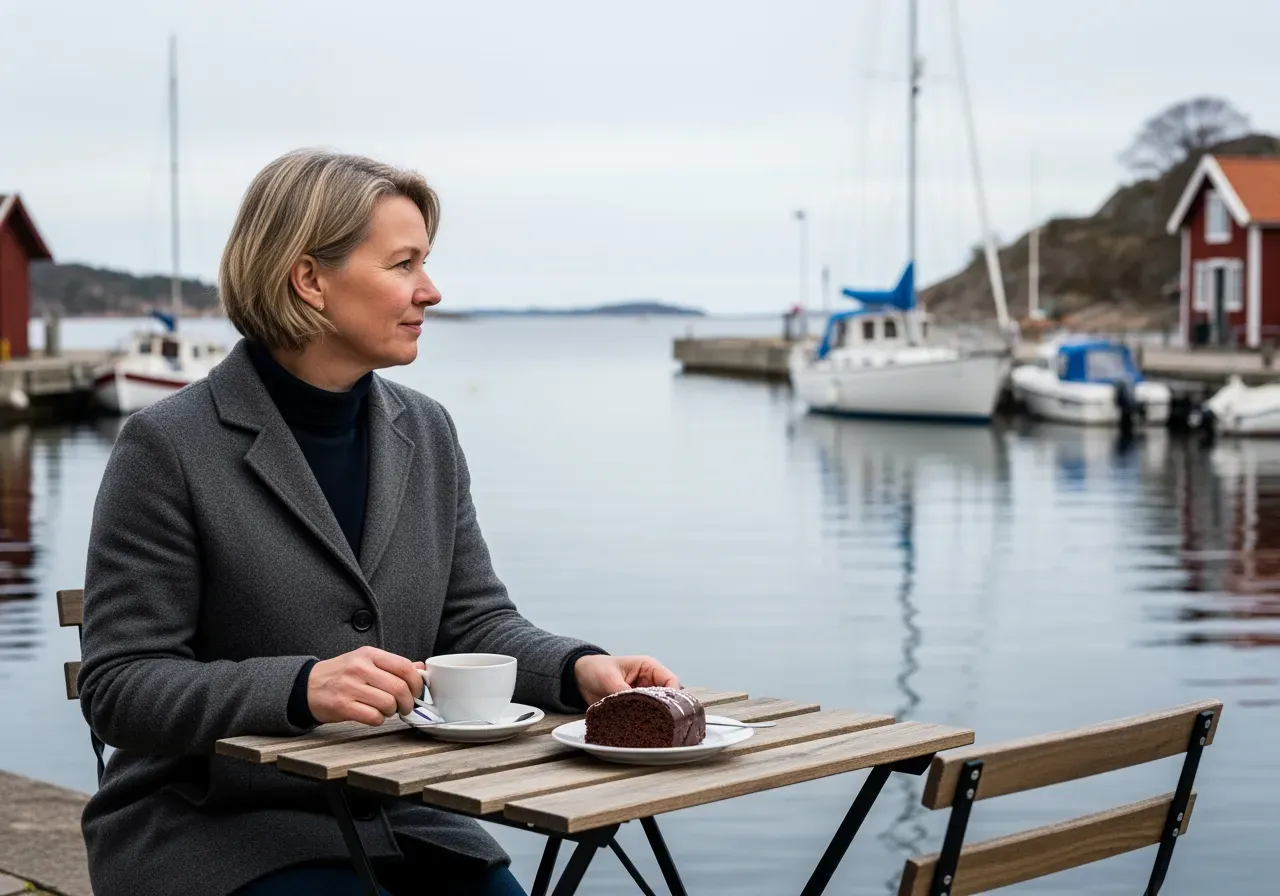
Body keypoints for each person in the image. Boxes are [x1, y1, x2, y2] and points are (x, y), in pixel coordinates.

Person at [76, 148, 681, 896]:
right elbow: (120, 685)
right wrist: (299, 689)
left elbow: (473, 621)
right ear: (310, 280)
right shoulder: (168, 446)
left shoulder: (426, 431)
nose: (429, 291)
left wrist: (576, 669)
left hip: (402, 810)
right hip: (212, 825)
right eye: (404, 264)